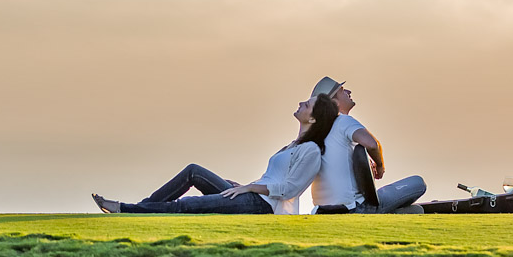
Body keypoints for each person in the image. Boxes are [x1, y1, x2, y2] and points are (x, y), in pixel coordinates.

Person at [93, 94, 340, 214]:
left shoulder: (311, 151)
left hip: (262, 207)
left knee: (188, 206)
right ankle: (141, 208)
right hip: (252, 196)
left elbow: (290, 189)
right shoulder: (294, 145)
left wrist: (250, 189)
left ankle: (125, 209)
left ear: (314, 118)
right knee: (194, 172)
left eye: (307, 104)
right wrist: (244, 185)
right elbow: (273, 179)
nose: (301, 103)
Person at [308, 76, 425, 212]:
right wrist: (379, 165)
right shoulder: (342, 121)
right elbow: (372, 144)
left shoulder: (316, 133)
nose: (349, 92)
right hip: (356, 207)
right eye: (342, 91)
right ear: (334, 103)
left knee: (416, 211)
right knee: (418, 183)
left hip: (324, 211)